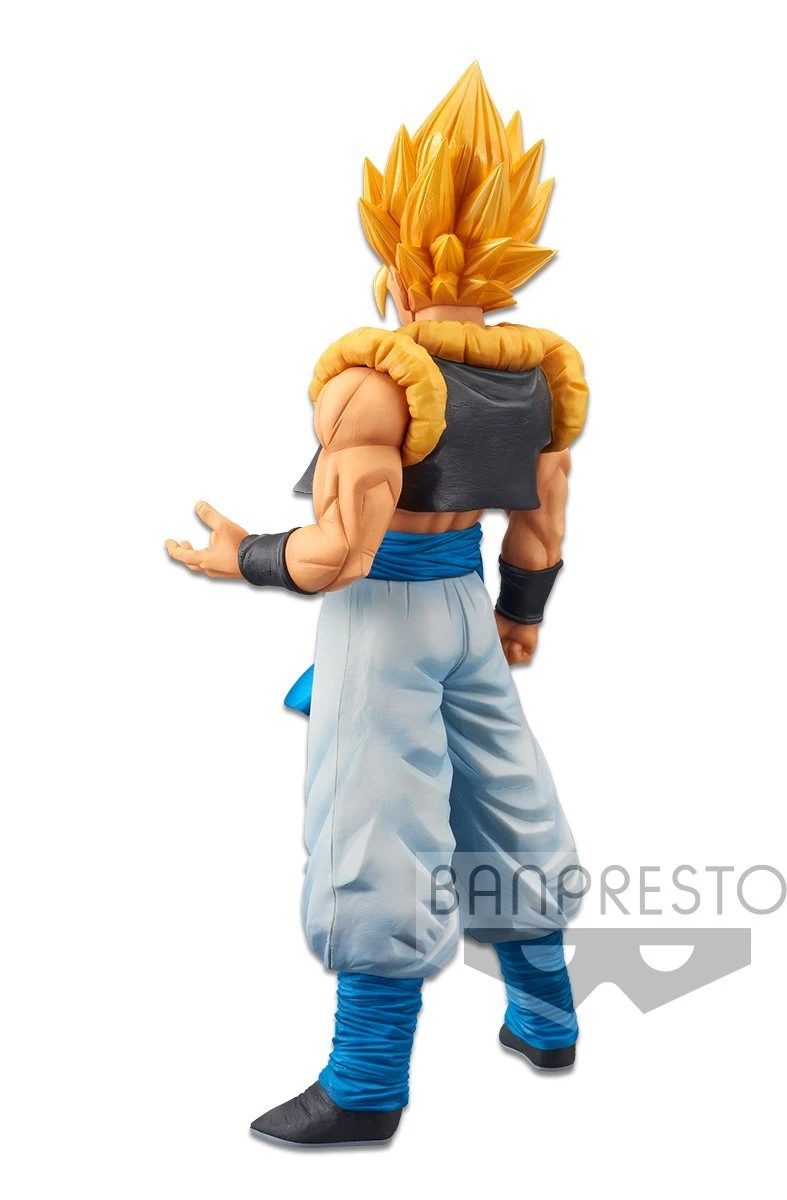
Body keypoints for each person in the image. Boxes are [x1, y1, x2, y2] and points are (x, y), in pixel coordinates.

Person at [166, 63, 589, 1147]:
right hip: (469, 609)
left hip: (384, 615)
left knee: (374, 829)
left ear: (394, 249)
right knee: (508, 800)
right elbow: (541, 525)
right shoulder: (543, 372)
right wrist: (520, 617)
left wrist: (241, 556)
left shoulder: (377, 382)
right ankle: (547, 1021)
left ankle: (364, 1083)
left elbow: (338, 554)